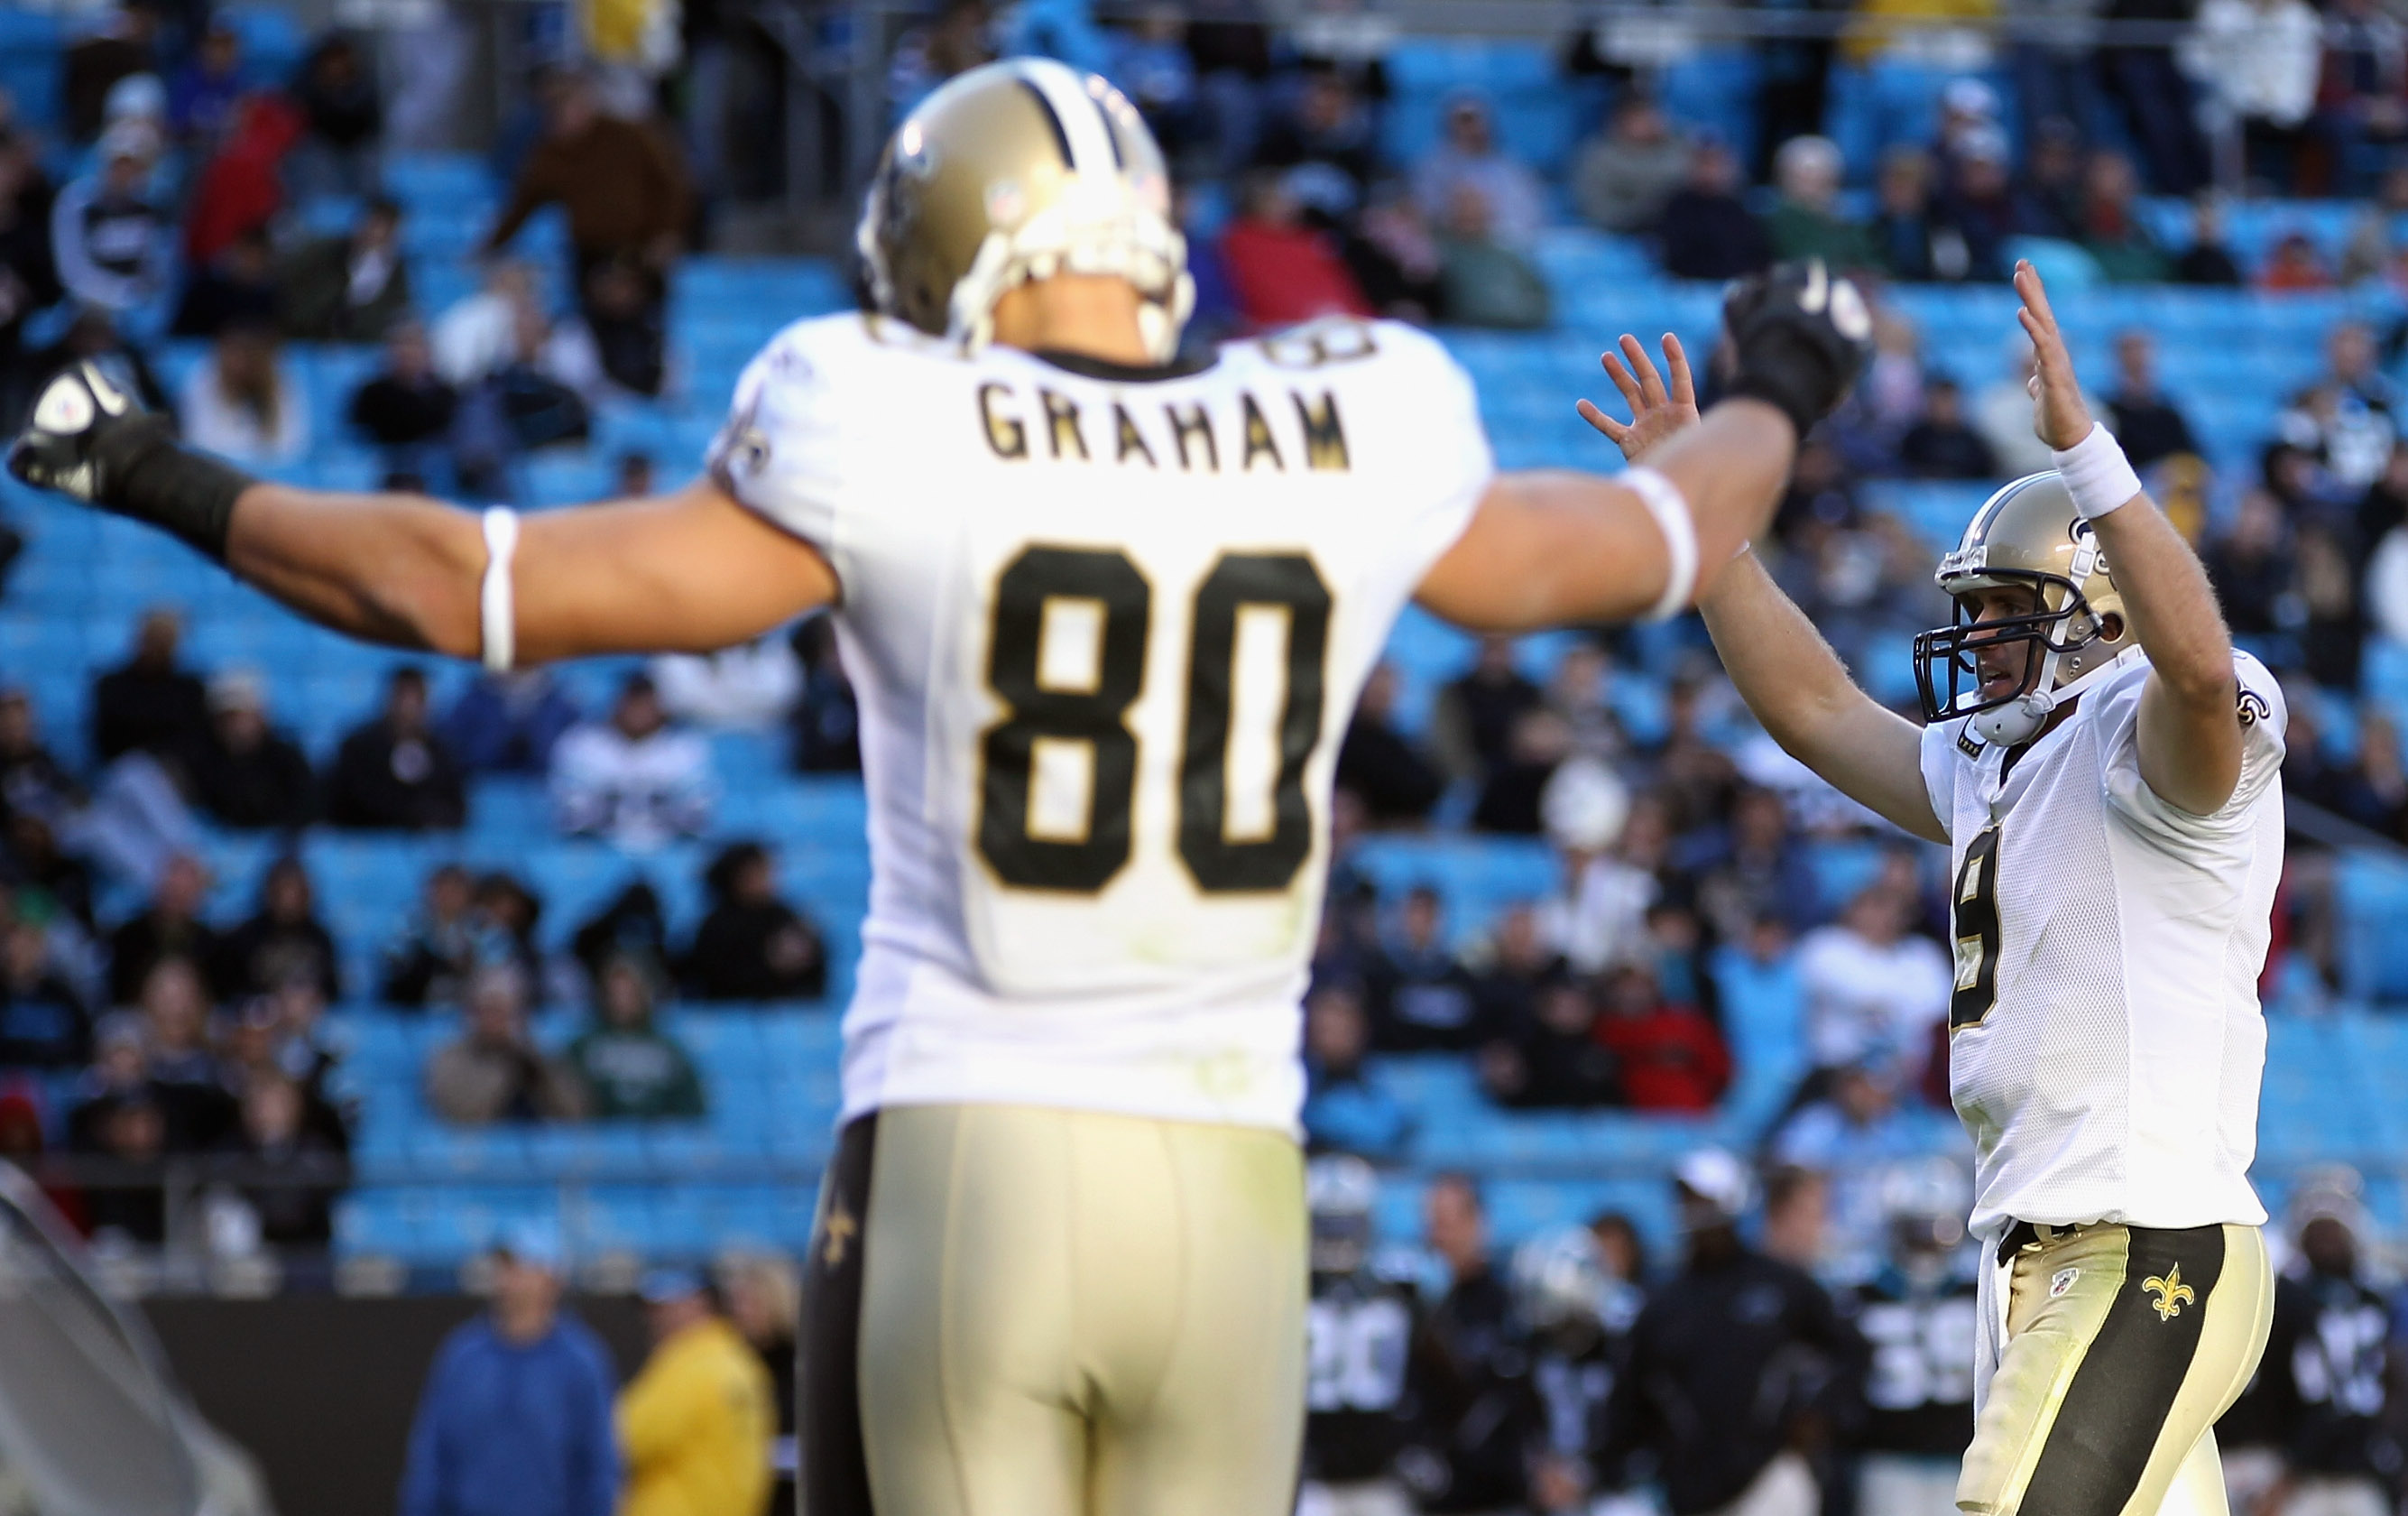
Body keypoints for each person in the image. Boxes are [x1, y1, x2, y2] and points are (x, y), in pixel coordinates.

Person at [6, 56, 1872, 1516]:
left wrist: (155, 474)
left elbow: (457, 586)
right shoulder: (1352, 413)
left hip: (968, 1165)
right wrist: (1778, 377)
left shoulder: (884, 413)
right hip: (1232, 1199)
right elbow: (1648, 535)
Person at [1594, 260, 2281, 1516]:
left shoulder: (2150, 721)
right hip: (2033, 1249)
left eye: (2012, 610)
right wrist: (1703, 531)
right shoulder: (1991, 758)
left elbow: (2194, 672)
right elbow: (1811, 710)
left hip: (2143, 1244)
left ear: (2099, 615)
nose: (1981, 641)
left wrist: (2087, 453)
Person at [1596, 1150, 1867, 1516]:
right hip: (1691, 1489)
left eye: (1703, 1197)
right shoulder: (1663, 1305)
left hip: (1771, 1476)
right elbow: (1633, 1398)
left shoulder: (1782, 1285)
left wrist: (1819, 1413)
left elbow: (1850, 1352)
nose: (1694, 1208)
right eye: (1687, 1197)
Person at [399, 1222, 619, 1516]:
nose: (507, 1278)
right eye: (503, 1266)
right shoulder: (463, 1356)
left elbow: (598, 1464)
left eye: (520, 1267)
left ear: (551, 1278)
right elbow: (432, 1454)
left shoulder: (580, 1361)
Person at [2247, 1176, 2397, 1516]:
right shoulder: (2284, 1301)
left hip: (2362, 1471)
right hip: (2297, 1473)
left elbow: (2384, 1386)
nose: (2326, 1241)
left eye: (2334, 1230)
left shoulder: (2376, 1300)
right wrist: (2286, 1469)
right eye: (2317, 1231)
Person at [1840, 1161, 1981, 1516]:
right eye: (1915, 1232)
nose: (1925, 1245)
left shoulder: (1977, 1291)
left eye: (1936, 1231)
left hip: (1963, 1457)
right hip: (1888, 1456)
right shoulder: (1861, 1294)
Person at [1299, 1155, 1423, 1516]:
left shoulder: (1399, 1292)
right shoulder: (1288, 1292)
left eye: (1346, 1225)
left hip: (1378, 1474)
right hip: (1313, 1478)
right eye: (1328, 1225)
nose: (1337, 1238)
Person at [1417, 1173, 1537, 1514]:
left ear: (1477, 1224)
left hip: (1501, 1492)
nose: (1437, 1236)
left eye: (1447, 1223)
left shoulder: (1509, 1303)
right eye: (1432, 1224)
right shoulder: (1417, 1306)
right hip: (1437, 1494)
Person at [618, 1268, 776, 1516]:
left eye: (665, 1307)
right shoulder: (740, 1360)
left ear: (699, 1303)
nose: (653, 1318)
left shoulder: (687, 1365)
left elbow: (620, 1440)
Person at [549, 672, 715, 849]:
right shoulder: (581, 743)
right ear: (618, 703)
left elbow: (696, 816)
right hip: (600, 848)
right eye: (633, 703)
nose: (639, 712)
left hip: (666, 848)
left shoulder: (686, 748)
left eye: (646, 704)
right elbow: (572, 815)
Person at [423, 966, 582, 1123]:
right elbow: (462, 1115)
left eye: (511, 1010)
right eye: (493, 1009)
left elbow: (578, 1114)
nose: (502, 1020)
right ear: (472, 1012)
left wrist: (538, 1068)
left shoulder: (538, 1055)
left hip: (540, 1145)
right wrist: (506, 1064)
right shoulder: (450, 1057)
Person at [679, 841, 826, 1003]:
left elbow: (815, 974)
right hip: (731, 1015)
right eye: (755, 872)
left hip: (783, 1012)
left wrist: (804, 959)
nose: (766, 878)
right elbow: (713, 978)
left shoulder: (786, 918)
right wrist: (770, 963)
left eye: (766, 870)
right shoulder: (716, 925)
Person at [562, 953, 705, 1119]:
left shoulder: (669, 1050)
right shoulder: (583, 1047)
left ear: (644, 994)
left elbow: (691, 1109)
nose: (621, 1000)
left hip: (658, 1139)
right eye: (615, 993)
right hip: (599, 1139)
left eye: (629, 992)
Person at [325, 667, 468, 830]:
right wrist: (406, 814)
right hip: (365, 843)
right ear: (389, 699)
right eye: (402, 697)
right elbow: (347, 803)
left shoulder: (442, 751)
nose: (407, 707)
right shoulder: (358, 747)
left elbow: (456, 809)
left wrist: (425, 815)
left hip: (425, 848)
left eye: (416, 699)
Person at [50, 119, 166, 315]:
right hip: (82, 306)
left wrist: (133, 300)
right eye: (119, 165)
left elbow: (159, 267)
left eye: (133, 167)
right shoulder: (76, 201)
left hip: (137, 309)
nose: (125, 173)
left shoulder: (156, 206)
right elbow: (72, 269)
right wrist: (117, 296)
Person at [180, 667, 315, 830]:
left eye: (241, 715)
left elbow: (305, 809)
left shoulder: (286, 758)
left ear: (260, 716)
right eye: (227, 717)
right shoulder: (199, 759)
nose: (235, 725)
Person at [719, 1253, 802, 1516]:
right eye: (736, 1303)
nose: (741, 1312)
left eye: (750, 1302)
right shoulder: (729, 1361)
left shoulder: (801, 1365)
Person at [279, 195, 411, 343]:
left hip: (362, 342)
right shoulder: (324, 251)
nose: (374, 232)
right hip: (308, 333)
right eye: (372, 223)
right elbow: (294, 290)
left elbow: (393, 313)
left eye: (383, 227)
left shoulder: (396, 271)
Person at [179, 320, 310, 467]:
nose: (240, 364)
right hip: (219, 472)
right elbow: (200, 442)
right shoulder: (204, 378)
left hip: (271, 472)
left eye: (249, 354)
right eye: (235, 353)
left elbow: (293, 444)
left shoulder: (281, 378)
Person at [215, 855, 341, 1003]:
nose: (288, 901)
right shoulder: (245, 937)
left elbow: (331, 992)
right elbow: (231, 992)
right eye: (283, 891)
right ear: (269, 893)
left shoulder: (320, 938)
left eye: (295, 893)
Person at [93, 607, 208, 764]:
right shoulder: (112, 685)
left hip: (176, 771)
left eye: (165, 640)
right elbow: (108, 741)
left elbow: (195, 740)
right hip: (128, 768)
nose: (158, 647)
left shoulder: (190, 688)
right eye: (154, 638)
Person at [106, 852, 219, 1005]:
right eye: (173, 889)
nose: (177, 897)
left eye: (185, 892)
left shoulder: (211, 945)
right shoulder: (128, 937)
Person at [1572, 96, 1691, 236]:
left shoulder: (1681, 147)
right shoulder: (1598, 157)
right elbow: (1598, 210)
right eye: (1640, 117)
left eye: (1652, 114)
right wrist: (1642, 213)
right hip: (1622, 234)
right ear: (1621, 121)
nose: (1650, 121)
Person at [2103, 329, 2200, 473]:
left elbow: (2191, 459)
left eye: (2141, 349)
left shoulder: (2169, 415)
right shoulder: (2105, 413)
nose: (2137, 357)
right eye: (2129, 350)